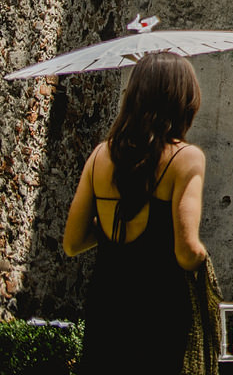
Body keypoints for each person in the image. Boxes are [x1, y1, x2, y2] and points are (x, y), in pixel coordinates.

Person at [62, 51, 218, 374]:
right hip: (158, 314)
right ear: (183, 101)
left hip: (106, 307)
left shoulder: (100, 156)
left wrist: (114, 225)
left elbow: (72, 241)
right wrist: (205, 261)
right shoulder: (186, 158)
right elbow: (186, 252)